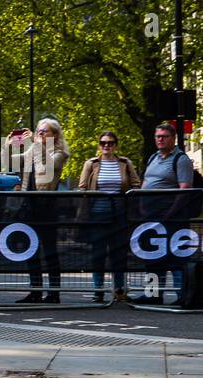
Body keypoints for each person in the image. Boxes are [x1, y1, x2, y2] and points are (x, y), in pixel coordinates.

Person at [135, 122, 196, 305]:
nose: (160, 139)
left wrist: (170, 212)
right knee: (152, 257)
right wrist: (141, 204)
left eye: (164, 136)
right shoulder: (153, 157)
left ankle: (182, 295)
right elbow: (146, 182)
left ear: (173, 138)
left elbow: (185, 189)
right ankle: (153, 294)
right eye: (157, 136)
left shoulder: (181, 159)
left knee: (176, 257)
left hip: (171, 218)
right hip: (151, 217)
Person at [78, 131, 141, 303]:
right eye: (103, 142)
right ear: (99, 145)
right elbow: (82, 187)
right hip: (97, 215)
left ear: (116, 145)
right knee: (98, 253)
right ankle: (98, 290)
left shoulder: (125, 163)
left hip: (119, 215)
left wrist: (128, 201)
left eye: (111, 143)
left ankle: (119, 290)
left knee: (118, 254)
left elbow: (136, 184)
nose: (107, 146)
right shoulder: (91, 164)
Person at [15, 117, 72, 303]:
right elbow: (18, 160)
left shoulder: (59, 152)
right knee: (30, 248)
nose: (39, 134)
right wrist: (10, 147)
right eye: (38, 130)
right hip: (28, 203)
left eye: (44, 131)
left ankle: (54, 293)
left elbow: (51, 166)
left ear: (54, 135)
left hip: (46, 205)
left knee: (49, 250)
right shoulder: (34, 148)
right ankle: (35, 291)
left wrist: (35, 143)